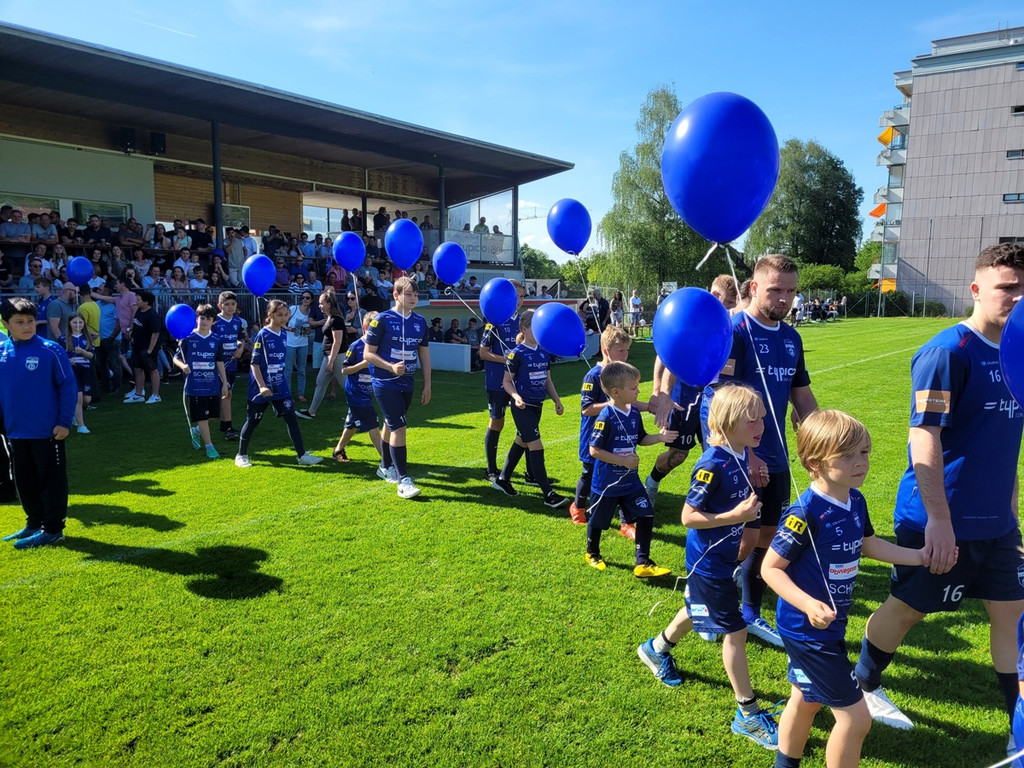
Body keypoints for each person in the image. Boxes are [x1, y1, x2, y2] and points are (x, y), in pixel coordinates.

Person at [854, 243, 1024, 739]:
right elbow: (923, 435)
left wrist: (1011, 512)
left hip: (997, 523)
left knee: (1011, 613)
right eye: (1006, 287)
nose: (1017, 297)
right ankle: (862, 682)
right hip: (939, 519)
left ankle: (1016, 722)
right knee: (909, 609)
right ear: (976, 290)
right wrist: (940, 520)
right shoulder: (948, 352)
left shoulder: (1020, 353)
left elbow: (1003, 441)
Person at [763, 410, 932, 768]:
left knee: (806, 700)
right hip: (807, 630)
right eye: (847, 455)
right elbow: (770, 569)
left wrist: (919, 557)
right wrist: (808, 604)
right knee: (856, 719)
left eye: (864, 452)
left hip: (829, 626)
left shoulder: (855, 500)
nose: (860, 463)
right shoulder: (805, 513)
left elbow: (869, 544)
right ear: (815, 463)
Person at [637, 384, 777, 749]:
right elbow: (688, 517)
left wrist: (751, 502)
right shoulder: (711, 464)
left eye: (762, 417)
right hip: (707, 562)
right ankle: (747, 713)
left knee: (696, 608)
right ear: (728, 423)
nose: (761, 425)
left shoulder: (742, 454)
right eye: (752, 420)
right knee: (736, 632)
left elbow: (741, 502)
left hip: (722, 558)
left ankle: (655, 648)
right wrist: (735, 516)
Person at [709, 254, 818, 648]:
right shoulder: (734, 331)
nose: (784, 299)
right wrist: (747, 454)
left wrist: (820, 441)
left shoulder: (791, 338)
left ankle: (750, 612)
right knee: (736, 537)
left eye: (791, 291)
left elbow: (801, 396)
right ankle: (706, 601)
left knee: (769, 537)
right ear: (753, 287)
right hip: (740, 455)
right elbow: (720, 398)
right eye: (775, 290)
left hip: (777, 454)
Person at [584, 361, 675, 576]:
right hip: (607, 483)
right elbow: (594, 450)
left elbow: (641, 438)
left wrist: (659, 437)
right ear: (616, 392)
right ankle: (592, 553)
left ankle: (643, 562)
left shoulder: (633, 412)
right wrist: (622, 461)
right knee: (598, 521)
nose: (638, 391)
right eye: (633, 388)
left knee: (646, 514)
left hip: (631, 482)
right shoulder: (605, 417)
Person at [0, 297, 77, 549]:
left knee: (51, 481)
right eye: (19, 322)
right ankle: (34, 523)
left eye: (30, 321)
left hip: (47, 431)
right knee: (25, 481)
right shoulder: (2, 352)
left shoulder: (50, 350)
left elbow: (68, 387)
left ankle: (53, 529)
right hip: (15, 431)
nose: (26, 326)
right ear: (6, 324)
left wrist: (64, 422)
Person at [490, 309, 567, 508]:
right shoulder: (516, 354)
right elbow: (506, 382)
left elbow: (547, 380)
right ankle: (548, 494)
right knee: (536, 445)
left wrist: (557, 400)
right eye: (535, 326)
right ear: (524, 329)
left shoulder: (544, 351)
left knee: (522, 441)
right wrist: (516, 397)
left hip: (537, 406)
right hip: (523, 407)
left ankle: (503, 479)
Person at [364, 277, 432, 499]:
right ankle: (403, 481)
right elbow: (368, 354)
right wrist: (390, 367)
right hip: (385, 382)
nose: (413, 298)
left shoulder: (420, 322)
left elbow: (424, 355)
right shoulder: (382, 320)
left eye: (416, 295)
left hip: (407, 382)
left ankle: (385, 466)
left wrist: (428, 385)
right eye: (408, 294)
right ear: (396, 295)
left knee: (391, 423)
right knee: (399, 428)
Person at [234, 299, 323, 468]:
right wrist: (262, 386)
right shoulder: (263, 335)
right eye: (280, 315)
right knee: (253, 421)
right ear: (270, 315)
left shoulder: (284, 333)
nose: (284, 318)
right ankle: (241, 455)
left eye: (286, 315)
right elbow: (254, 364)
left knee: (292, 420)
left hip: (280, 386)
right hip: (261, 388)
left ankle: (302, 455)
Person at [570, 326, 642, 529]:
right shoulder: (593, 376)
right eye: (621, 350)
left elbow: (630, 403)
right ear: (605, 350)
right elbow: (587, 409)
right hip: (595, 437)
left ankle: (626, 522)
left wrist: (650, 406)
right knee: (589, 472)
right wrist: (611, 403)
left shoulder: (624, 375)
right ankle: (578, 507)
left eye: (627, 350)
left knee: (621, 473)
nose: (625, 355)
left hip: (617, 439)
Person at [479, 281, 527, 483]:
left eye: (522, 297)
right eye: (516, 297)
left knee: (526, 425)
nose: (519, 301)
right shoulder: (495, 321)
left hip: (520, 382)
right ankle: (491, 469)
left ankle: (531, 473)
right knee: (497, 422)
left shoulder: (525, 320)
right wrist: (505, 359)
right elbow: (483, 353)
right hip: (497, 381)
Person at [173, 304, 229, 460]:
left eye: (208, 319)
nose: (204, 322)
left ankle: (196, 431)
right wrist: (183, 366)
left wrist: (224, 383)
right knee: (202, 417)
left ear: (213, 321)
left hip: (212, 385)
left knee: (213, 416)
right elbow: (176, 358)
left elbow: (219, 362)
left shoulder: (217, 340)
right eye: (202, 318)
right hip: (195, 386)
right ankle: (209, 447)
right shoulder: (187, 338)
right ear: (196, 319)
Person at [332, 311, 384, 463]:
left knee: (352, 423)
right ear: (365, 327)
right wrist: (363, 364)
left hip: (367, 391)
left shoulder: (379, 347)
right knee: (373, 424)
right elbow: (344, 370)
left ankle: (338, 450)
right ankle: (388, 461)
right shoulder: (356, 346)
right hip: (355, 392)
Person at [297, 291, 346, 420]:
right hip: (328, 357)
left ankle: (359, 414)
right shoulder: (329, 318)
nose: (319, 306)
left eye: (321, 303)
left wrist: (331, 361)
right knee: (320, 383)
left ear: (329, 304)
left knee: (347, 386)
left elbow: (337, 342)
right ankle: (311, 412)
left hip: (336, 358)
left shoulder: (336, 320)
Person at [212, 291, 247, 440]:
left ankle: (224, 424)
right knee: (225, 394)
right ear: (220, 306)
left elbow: (241, 338)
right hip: (218, 363)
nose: (230, 307)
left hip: (232, 363)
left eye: (233, 304)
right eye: (227, 304)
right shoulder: (214, 321)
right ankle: (227, 427)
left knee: (228, 393)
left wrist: (240, 348)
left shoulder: (237, 321)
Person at [124, 289, 162, 404]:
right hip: (137, 346)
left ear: (146, 302)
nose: (136, 301)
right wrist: (132, 336)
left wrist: (150, 349)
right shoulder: (139, 311)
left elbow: (155, 333)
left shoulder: (153, 315)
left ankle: (156, 395)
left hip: (148, 347)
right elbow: (136, 325)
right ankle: (138, 394)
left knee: (152, 369)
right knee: (137, 368)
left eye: (138, 300)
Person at [60, 313, 96, 435]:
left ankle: (74, 414)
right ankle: (81, 426)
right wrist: (67, 361)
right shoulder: (63, 338)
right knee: (78, 398)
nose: (78, 325)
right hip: (72, 371)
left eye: (80, 322)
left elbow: (91, 355)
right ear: (69, 323)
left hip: (86, 370)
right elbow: (59, 356)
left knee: (87, 399)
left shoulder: (88, 337)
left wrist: (83, 352)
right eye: (75, 322)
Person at [284, 292, 314, 402]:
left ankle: (301, 394)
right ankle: (288, 395)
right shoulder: (293, 309)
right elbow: (282, 322)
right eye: (303, 297)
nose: (305, 300)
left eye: (307, 298)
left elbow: (310, 328)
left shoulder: (311, 312)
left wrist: (308, 330)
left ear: (311, 300)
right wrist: (288, 329)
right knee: (288, 370)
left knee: (301, 370)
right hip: (290, 343)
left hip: (303, 343)